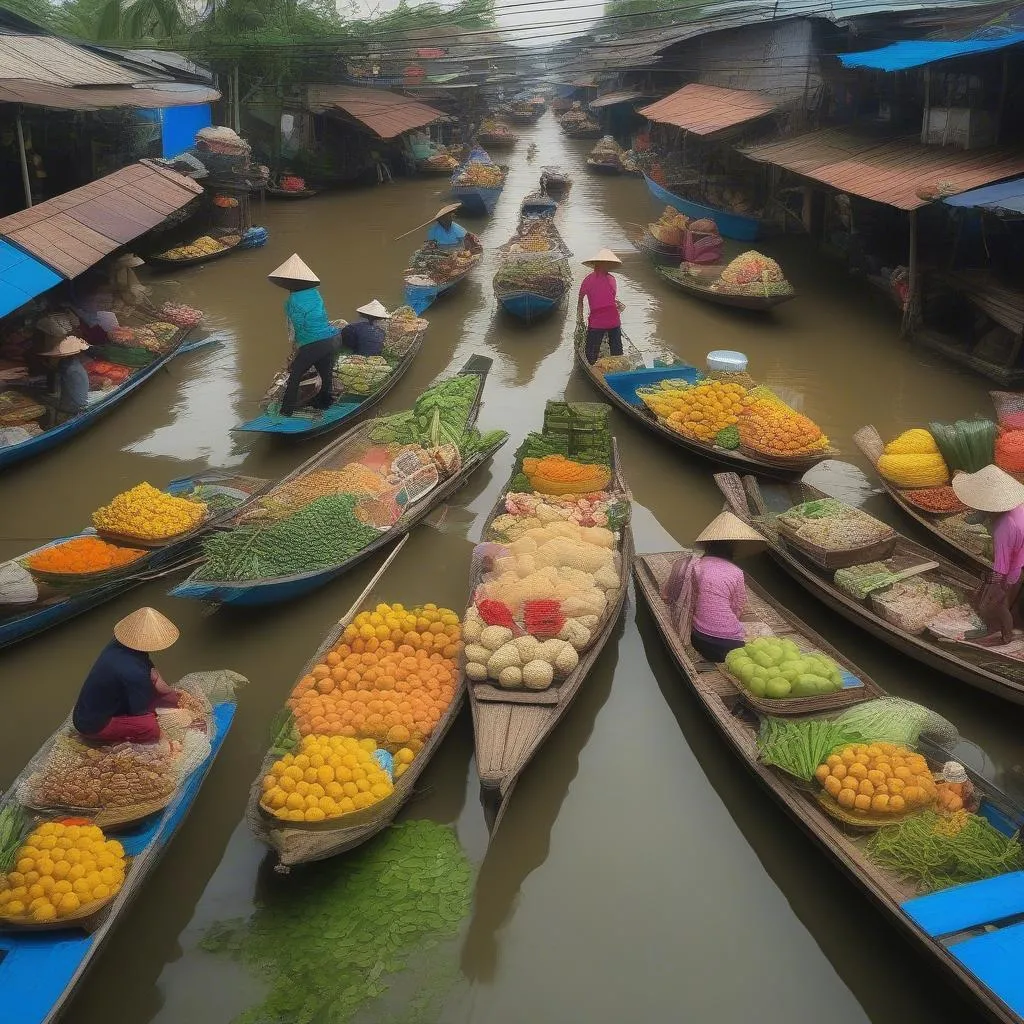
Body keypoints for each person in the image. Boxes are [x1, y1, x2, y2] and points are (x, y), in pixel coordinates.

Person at [660, 511, 765, 663]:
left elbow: (670, 596)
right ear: (733, 549)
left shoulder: (695, 566)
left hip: (699, 640)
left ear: (707, 545)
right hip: (732, 646)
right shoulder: (737, 572)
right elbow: (737, 608)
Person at [72, 607, 181, 744]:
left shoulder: (117, 644)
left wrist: (162, 689)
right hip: (93, 726)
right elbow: (139, 711)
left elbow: (148, 670)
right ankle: (112, 741)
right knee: (150, 728)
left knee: (156, 695)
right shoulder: (134, 672)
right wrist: (164, 696)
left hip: (86, 711)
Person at [951, 464, 1024, 644]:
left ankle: (1005, 634)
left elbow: (1002, 567)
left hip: (1016, 566)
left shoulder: (1003, 528)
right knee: (995, 596)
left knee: (996, 604)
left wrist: (996, 588)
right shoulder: (1018, 505)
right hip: (1018, 556)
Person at [268, 254, 340, 417]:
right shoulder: (316, 294)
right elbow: (321, 317)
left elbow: (293, 329)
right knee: (326, 374)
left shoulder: (291, 302)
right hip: (330, 339)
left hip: (313, 343)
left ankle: (286, 411)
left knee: (295, 375)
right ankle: (325, 403)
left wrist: (295, 351)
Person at [578, 248, 625, 364]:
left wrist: (579, 318)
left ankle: (593, 366)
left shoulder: (587, 280)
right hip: (613, 320)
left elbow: (580, 300)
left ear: (595, 265)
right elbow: (611, 297)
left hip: (597, 321)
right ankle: (617, 367)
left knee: (591, 354)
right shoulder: (612, 279)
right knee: (617, 351)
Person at [41, 335, 91, 423]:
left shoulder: (69, 369)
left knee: (39, 398)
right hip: (76, 402)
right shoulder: (71, 363)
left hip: (74, 406)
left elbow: (58, 392)